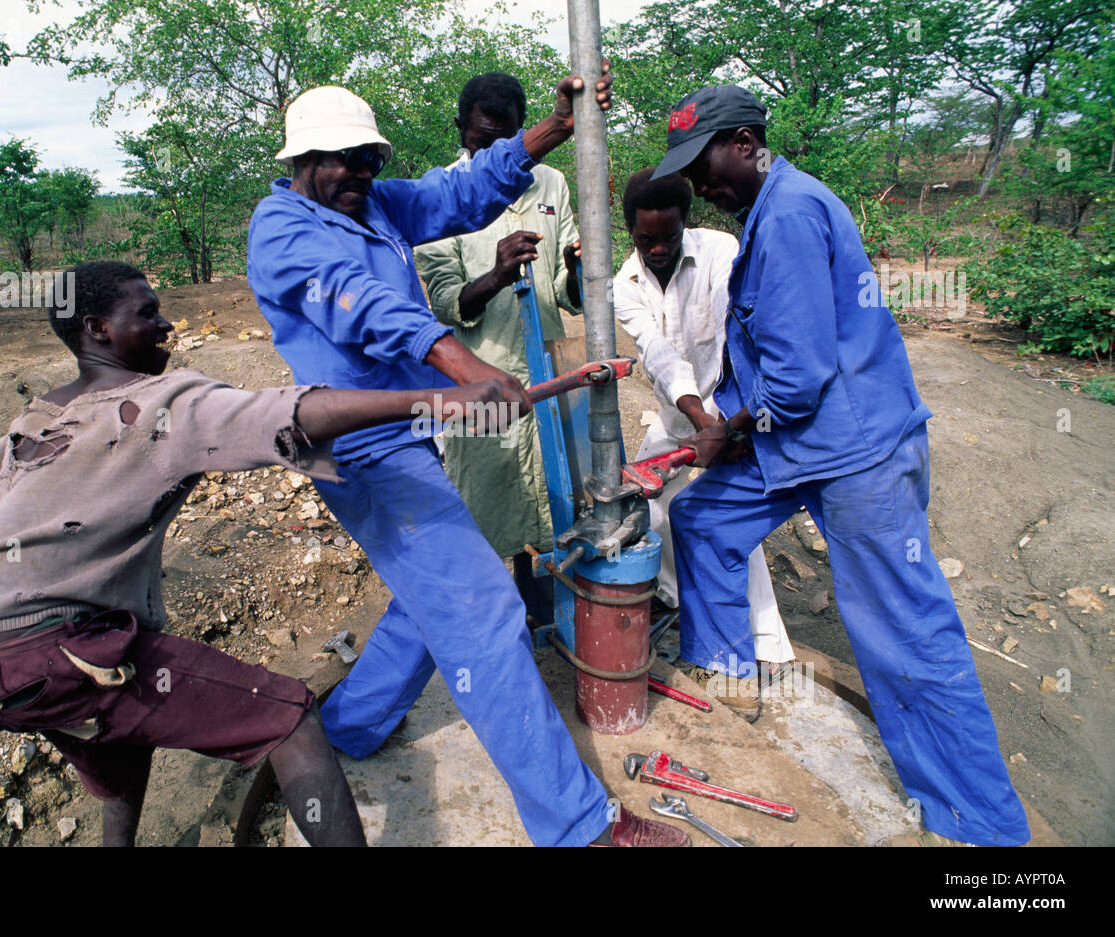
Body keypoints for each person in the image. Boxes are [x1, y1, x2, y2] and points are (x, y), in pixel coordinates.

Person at [0, 260, 522, 846]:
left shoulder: (35, 422)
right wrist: (444, 401)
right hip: (58, 650)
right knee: (291, 719)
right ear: (98, 330)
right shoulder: (165, 403)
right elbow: (289, 409)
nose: (168, 324)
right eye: (148, 313)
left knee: (121, 735)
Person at [247, 68, 688, 846]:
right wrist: (469, 369)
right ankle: (581, 827)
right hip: (361, 451)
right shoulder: (283, 230)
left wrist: (554, 127)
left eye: (369, 159)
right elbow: (368, 307)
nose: (359, 173)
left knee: (432, 598)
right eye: (342, 160)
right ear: (300, 159)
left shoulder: (375, 203)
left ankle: (342, 729)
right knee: (484, 605)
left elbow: (457, 195)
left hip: (408, 435)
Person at [656, 84, 1030, 845]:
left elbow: (794, 380)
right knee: (702, 515)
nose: (701, 185)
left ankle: (980, 829)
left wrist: (725, 430)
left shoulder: (790, 212)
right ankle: (728, 671)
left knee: (901, 631)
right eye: (690, 172)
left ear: (749, 139)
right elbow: (766, 365)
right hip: (800, 441)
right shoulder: (768, 211)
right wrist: (716, 426)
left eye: (708, 163)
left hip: (855, 451)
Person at [612, 166, 793, 723]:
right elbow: (660, 354)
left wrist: (729, 426)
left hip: (736, 409)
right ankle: (677, 598)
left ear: (686, 223)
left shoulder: (720, 252)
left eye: (669, 236)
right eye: (647, 240)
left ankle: (768, 648)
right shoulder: (625, 283)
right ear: (630, 233)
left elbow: (739, 336)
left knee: (721, 519)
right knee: (642, 497)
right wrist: (698, 421)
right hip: (681, 414)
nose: (659, 248)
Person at [414, 72, 582, 626]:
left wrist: (579, 270)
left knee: (554, 493)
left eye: (504, 142)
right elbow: (443, 302)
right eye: (481, 142)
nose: (492, 155)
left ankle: (546, 609)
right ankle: (491, 624)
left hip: (546, 371)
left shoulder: (551, 185)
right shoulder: (439, 197)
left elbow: (565, 289)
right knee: (487, 502)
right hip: (480, 377)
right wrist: (495, 273)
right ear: (461, 131)